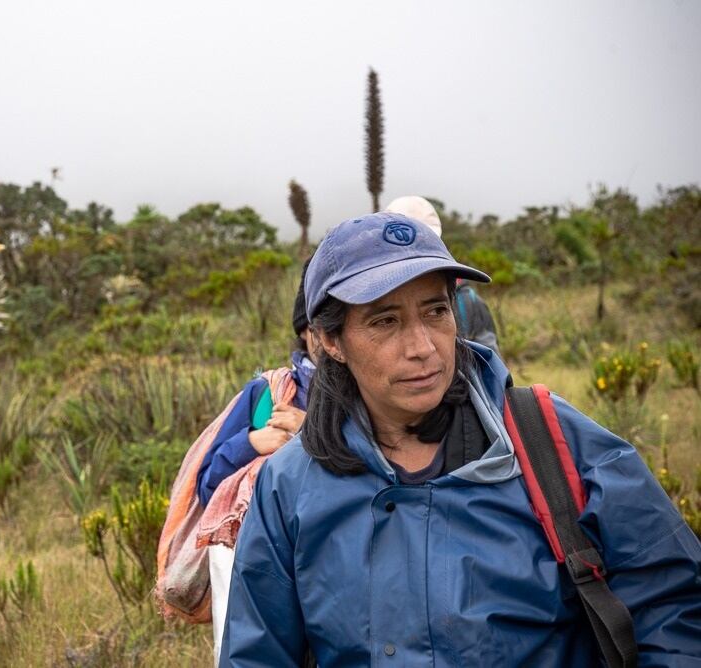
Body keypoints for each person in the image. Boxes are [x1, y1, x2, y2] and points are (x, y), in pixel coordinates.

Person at [219, 212, 701, 666]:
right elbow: (257, 651)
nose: (423, 347)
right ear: (329, 341)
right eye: (385, 321)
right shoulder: (290, 484)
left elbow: (674, 605)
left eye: (435, 311)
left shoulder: (553, 442)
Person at [194, 259, 316, 662]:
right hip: (253, 569)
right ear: (306, 331)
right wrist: (250, 442)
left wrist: (309, 432)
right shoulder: (265, 393)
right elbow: (208, 485)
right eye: (323, 324)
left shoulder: (376, 394)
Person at [385, 195, 500, 354]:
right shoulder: (369, 298)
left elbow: (488, 361)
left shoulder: (467, 299)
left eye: (437, 311)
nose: (423, 349)